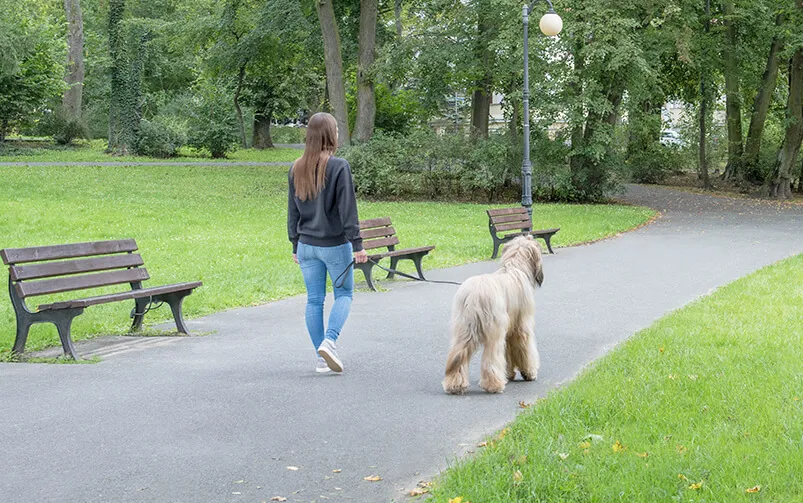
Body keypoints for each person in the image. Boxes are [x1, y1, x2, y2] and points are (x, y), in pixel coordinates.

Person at [287, 112, 368, 373]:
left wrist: (294, 244)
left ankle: (322, 359)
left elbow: (293, 212)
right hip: (334, 245)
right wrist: (358, 245)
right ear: (330, 135)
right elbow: (347, 210)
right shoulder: (338, 166)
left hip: (306, 246)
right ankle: (330, 341)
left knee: (314, 300)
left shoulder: (296, 167)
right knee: (343, 294)